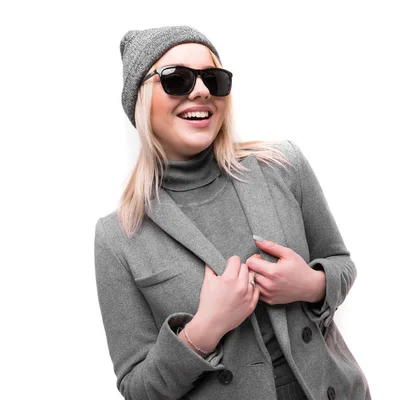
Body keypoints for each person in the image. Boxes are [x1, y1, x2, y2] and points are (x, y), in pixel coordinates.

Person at [94, 25, 371, 400]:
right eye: (177, 79)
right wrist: (203, 330)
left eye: (213, 78)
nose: (201, 90)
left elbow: (340, 261)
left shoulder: (283, 166)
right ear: (140, 101)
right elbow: (137, 388)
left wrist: (310, 284)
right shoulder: (118, 236)